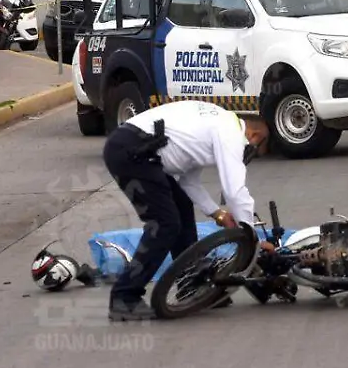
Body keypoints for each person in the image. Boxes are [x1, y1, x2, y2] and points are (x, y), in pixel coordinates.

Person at [103, 99, 272, 321]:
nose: (250, 157)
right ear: (255, 137)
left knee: (181, 205)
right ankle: (124, 296)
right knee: (165, 224)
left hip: (136, 147)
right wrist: (253, 240)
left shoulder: (216, 124)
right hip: (133, 151)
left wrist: (217, 213)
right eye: (256, 153)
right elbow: (235, 192)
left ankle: (191, 283)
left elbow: (188, 182)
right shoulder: (230, 134)